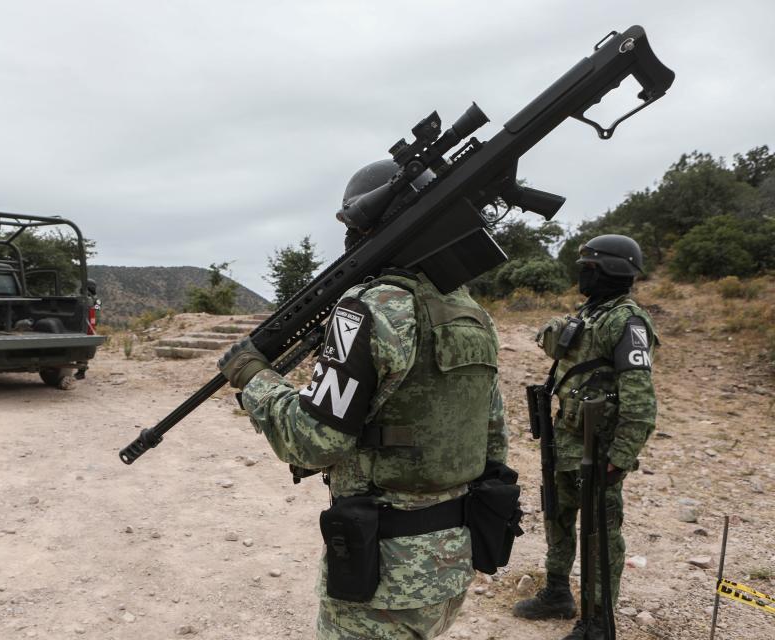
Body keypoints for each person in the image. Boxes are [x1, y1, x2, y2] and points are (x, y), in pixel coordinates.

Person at [218, 159, 508, 639]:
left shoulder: (371, 307)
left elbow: (312, 442)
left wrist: (254, 379)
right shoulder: (469, 310)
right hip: (452, 556)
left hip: (383, 572)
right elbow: (492, 434)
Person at [512, 234, 658, 640]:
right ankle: (558, 591)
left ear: (606, 270)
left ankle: (598, 621)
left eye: (587, 266)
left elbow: (641, 404)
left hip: (597, 448)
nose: (581, 273)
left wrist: (621, 456)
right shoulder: (592, 313)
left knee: (600, 535)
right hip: (565, 440)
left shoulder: (626, 321)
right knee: (556, 517)